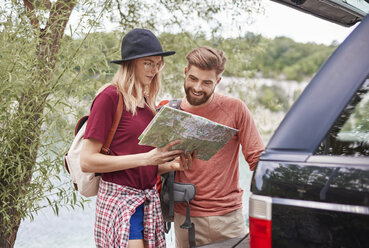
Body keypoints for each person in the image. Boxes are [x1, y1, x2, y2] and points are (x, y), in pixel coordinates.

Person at [80, 28, 193, 248]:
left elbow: (142, 165)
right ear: (130, 64)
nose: (154, 70)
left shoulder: (147, 103)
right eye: (148, 63)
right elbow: (87, 161)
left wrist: (170, 164)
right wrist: (146, 159)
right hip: (120, 203)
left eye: (158, 63)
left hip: (147, 203)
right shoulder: (109, 97)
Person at [173, 46, 265, 247]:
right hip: (185, 219)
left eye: (207, 82)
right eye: (193, 79)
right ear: (185, 72)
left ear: (218, 82)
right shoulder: (170, 112)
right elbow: (150, 164)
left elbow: (258, 160)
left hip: (228, 220)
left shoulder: (235, 109)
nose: (198, 87)